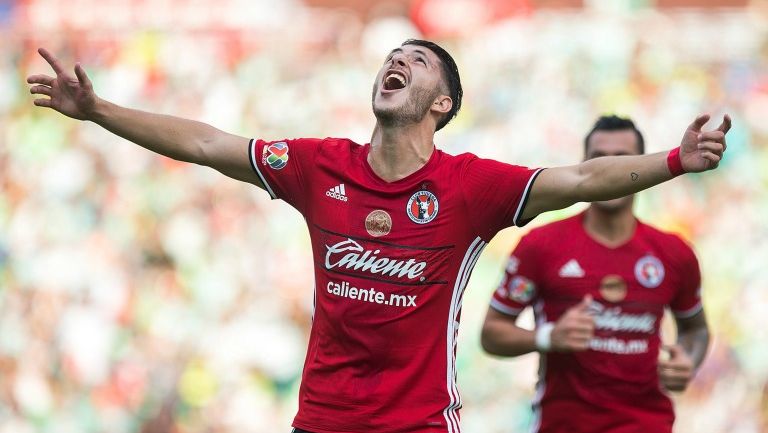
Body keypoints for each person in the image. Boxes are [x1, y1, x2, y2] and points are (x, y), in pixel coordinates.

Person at [27, 40, 728, 433]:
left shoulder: (471, 187)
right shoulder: (315, 165)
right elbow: (209, 143)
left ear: (443, 102)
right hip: (322, 420)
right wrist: (97, 111)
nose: (397, 61)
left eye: (418, 60)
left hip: (419, 426)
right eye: (392, 56)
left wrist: (674, 158)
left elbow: (577, 179)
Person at [481, 115, 711, 433]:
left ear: (642, 167)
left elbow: (695, 330)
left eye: (622, 160)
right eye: (599, 159)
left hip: (647, 424)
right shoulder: (541, 246)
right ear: (584, 166)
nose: (610, 170)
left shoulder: (673, 252)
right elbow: (492, 333)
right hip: (561, 424)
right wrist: (548, 336)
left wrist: (688, 360)